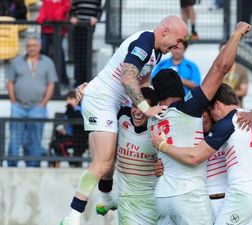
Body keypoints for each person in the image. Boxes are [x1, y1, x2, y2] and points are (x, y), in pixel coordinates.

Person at [59, 15, 188, 225]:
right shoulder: (145, 41)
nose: (178, 45)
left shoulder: (155, 52)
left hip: (111, 102)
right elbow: (127, 78)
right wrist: (147, 109)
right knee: (101, 163)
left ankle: (107, 198)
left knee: (109, 160)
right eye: (179, 39)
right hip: (102, 101)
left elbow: (143, 86)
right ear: (165, 31)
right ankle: (72, 216)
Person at [147, 22, 251, 225]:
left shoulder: (152, 119)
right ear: (180, 89)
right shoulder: (188, 107)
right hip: (189, 195)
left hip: (161, 197)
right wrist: (237, 33)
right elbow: (220, 69)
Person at [151, 83, 252, 225]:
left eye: (210, 112)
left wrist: (164, 146)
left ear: (217, 105)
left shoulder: (227, 124)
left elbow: (194, 157)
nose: (211, 117)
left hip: (241, 195)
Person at [6, 36, 58, 167]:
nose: (32, 48)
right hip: (18, 107)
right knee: (15, 138)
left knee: (35, 139)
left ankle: (33, 165)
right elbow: (10, 83)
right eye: (29, 45)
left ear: (39, 47)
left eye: (34, 45)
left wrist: (43, 103)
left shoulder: (48, 62)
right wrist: (13, 102)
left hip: (38, 107)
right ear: (26, 47)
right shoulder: (16, 62)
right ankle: (12, 164)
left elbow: (51, 84)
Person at [112, 87, 159, 225]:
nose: (137, 112)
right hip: (126, 204)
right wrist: (85, 89)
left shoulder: (158, 130)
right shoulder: (123, 116)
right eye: (134, 105)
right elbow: (100, 101)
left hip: (152, 203)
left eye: (144, 107)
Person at [37, 0, 71, 92]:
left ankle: (63, 81)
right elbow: (43, 9)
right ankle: (43, 80)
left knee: (59, 55)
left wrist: (58, 14)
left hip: (59, 30)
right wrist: (41, 16)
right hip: (45, 29)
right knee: (43, 55)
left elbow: (65, 9)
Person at [50, 90, 88, 168]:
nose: (68, 101)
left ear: (77, 100)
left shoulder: (78, 111)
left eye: (71, 99)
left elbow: (77, 124)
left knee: (60, 145)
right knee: (56, 143)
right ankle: (67, 161)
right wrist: (63, 130)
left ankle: (72, 161)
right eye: (67, 99)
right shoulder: (69, 111)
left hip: (77, 138)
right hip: (68, 135)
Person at [70, 0, 102, 87]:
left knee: (86, 55)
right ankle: (78, 81)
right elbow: (72, 9)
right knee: (78, 55)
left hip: (89, 28)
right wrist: (73, 17)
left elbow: (99, 10)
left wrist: (96, 19)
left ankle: (86, 80)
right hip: (78, 27)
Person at [219, 42, 249, 107]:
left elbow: (244, 91)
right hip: (219, 109)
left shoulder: (241, 70)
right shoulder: (217, 70)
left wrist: (226, 94)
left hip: (236, 108)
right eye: (223, 51)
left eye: (228, 51)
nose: (225, 54)